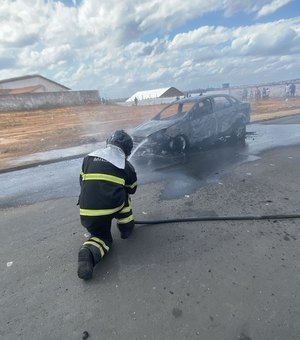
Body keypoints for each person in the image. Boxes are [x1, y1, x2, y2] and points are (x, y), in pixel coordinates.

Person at [77, 130, 137, 280]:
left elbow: (82, 182)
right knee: (124, 196)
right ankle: (126, 228)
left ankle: (89, 252)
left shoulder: (88, 158)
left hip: (87, 211)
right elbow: (133, 188)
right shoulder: (125, 165)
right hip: (112, 207)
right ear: (127, 149)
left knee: (101, 237)